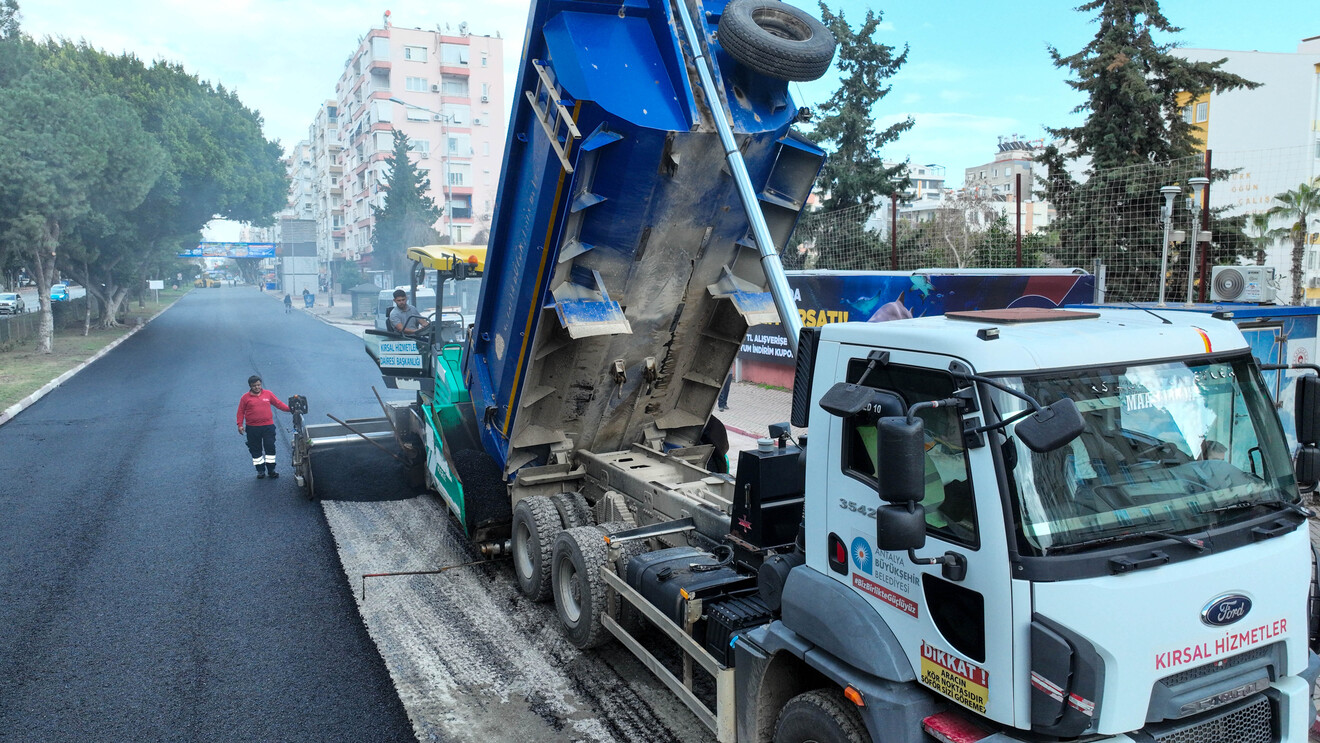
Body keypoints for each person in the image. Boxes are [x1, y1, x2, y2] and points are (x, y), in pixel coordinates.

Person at [237, 375, 291, 479]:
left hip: (268, 427)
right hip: (252, 428)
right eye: (254, 386)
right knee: (255, 449)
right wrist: (240, 425)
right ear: (250, 386)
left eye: (258, 385)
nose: (257, 387)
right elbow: (240, 412)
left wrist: (290, 409)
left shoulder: (268, 394)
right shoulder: (245, 398)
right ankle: (260, 471)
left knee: (270, 447)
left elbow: (278, 404)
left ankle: (271, 470)